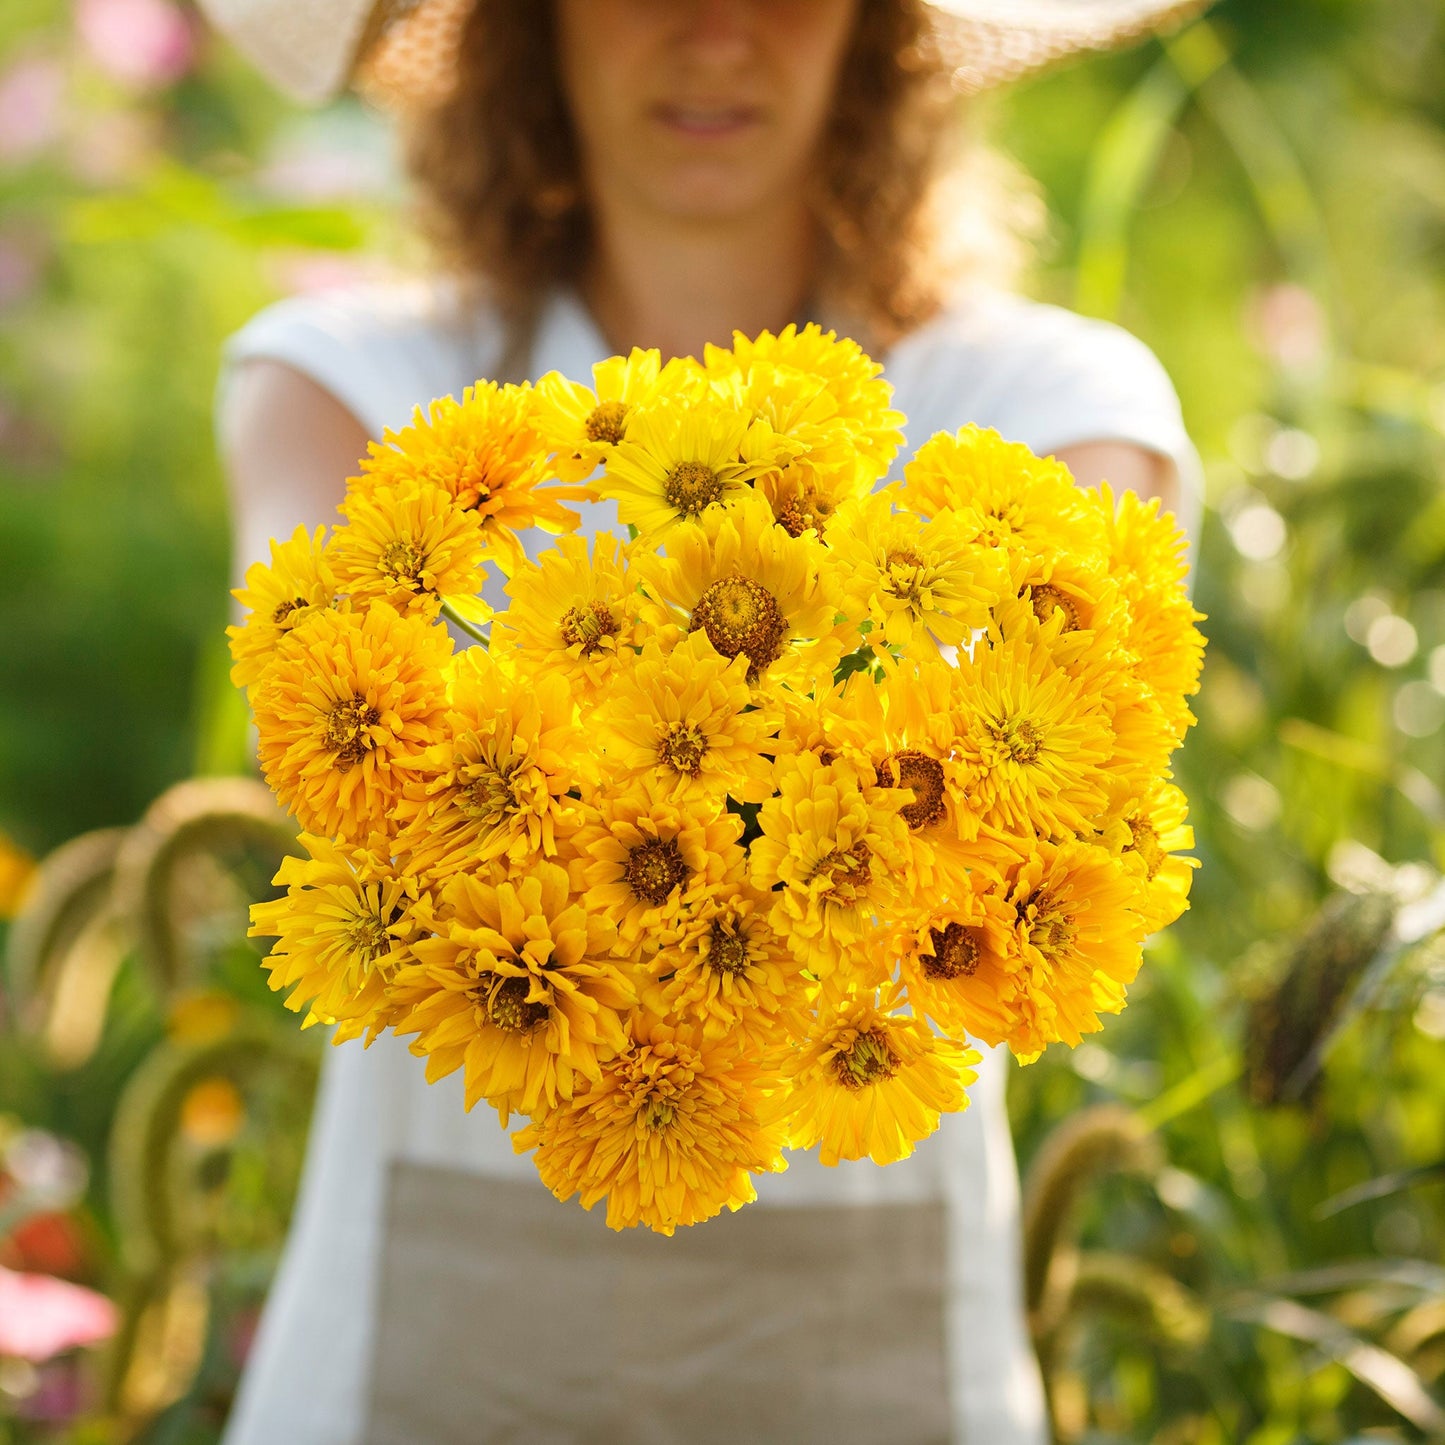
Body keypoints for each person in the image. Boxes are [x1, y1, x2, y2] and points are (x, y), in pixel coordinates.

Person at [205, 2, 1207, 1440]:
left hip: (877, 1331)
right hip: (420, 1333)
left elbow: (1029, 753)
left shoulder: (1048, 398)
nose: (714, 32)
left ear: (877, 30)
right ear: (522, 23)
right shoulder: (340, 380)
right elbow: (312, 715)